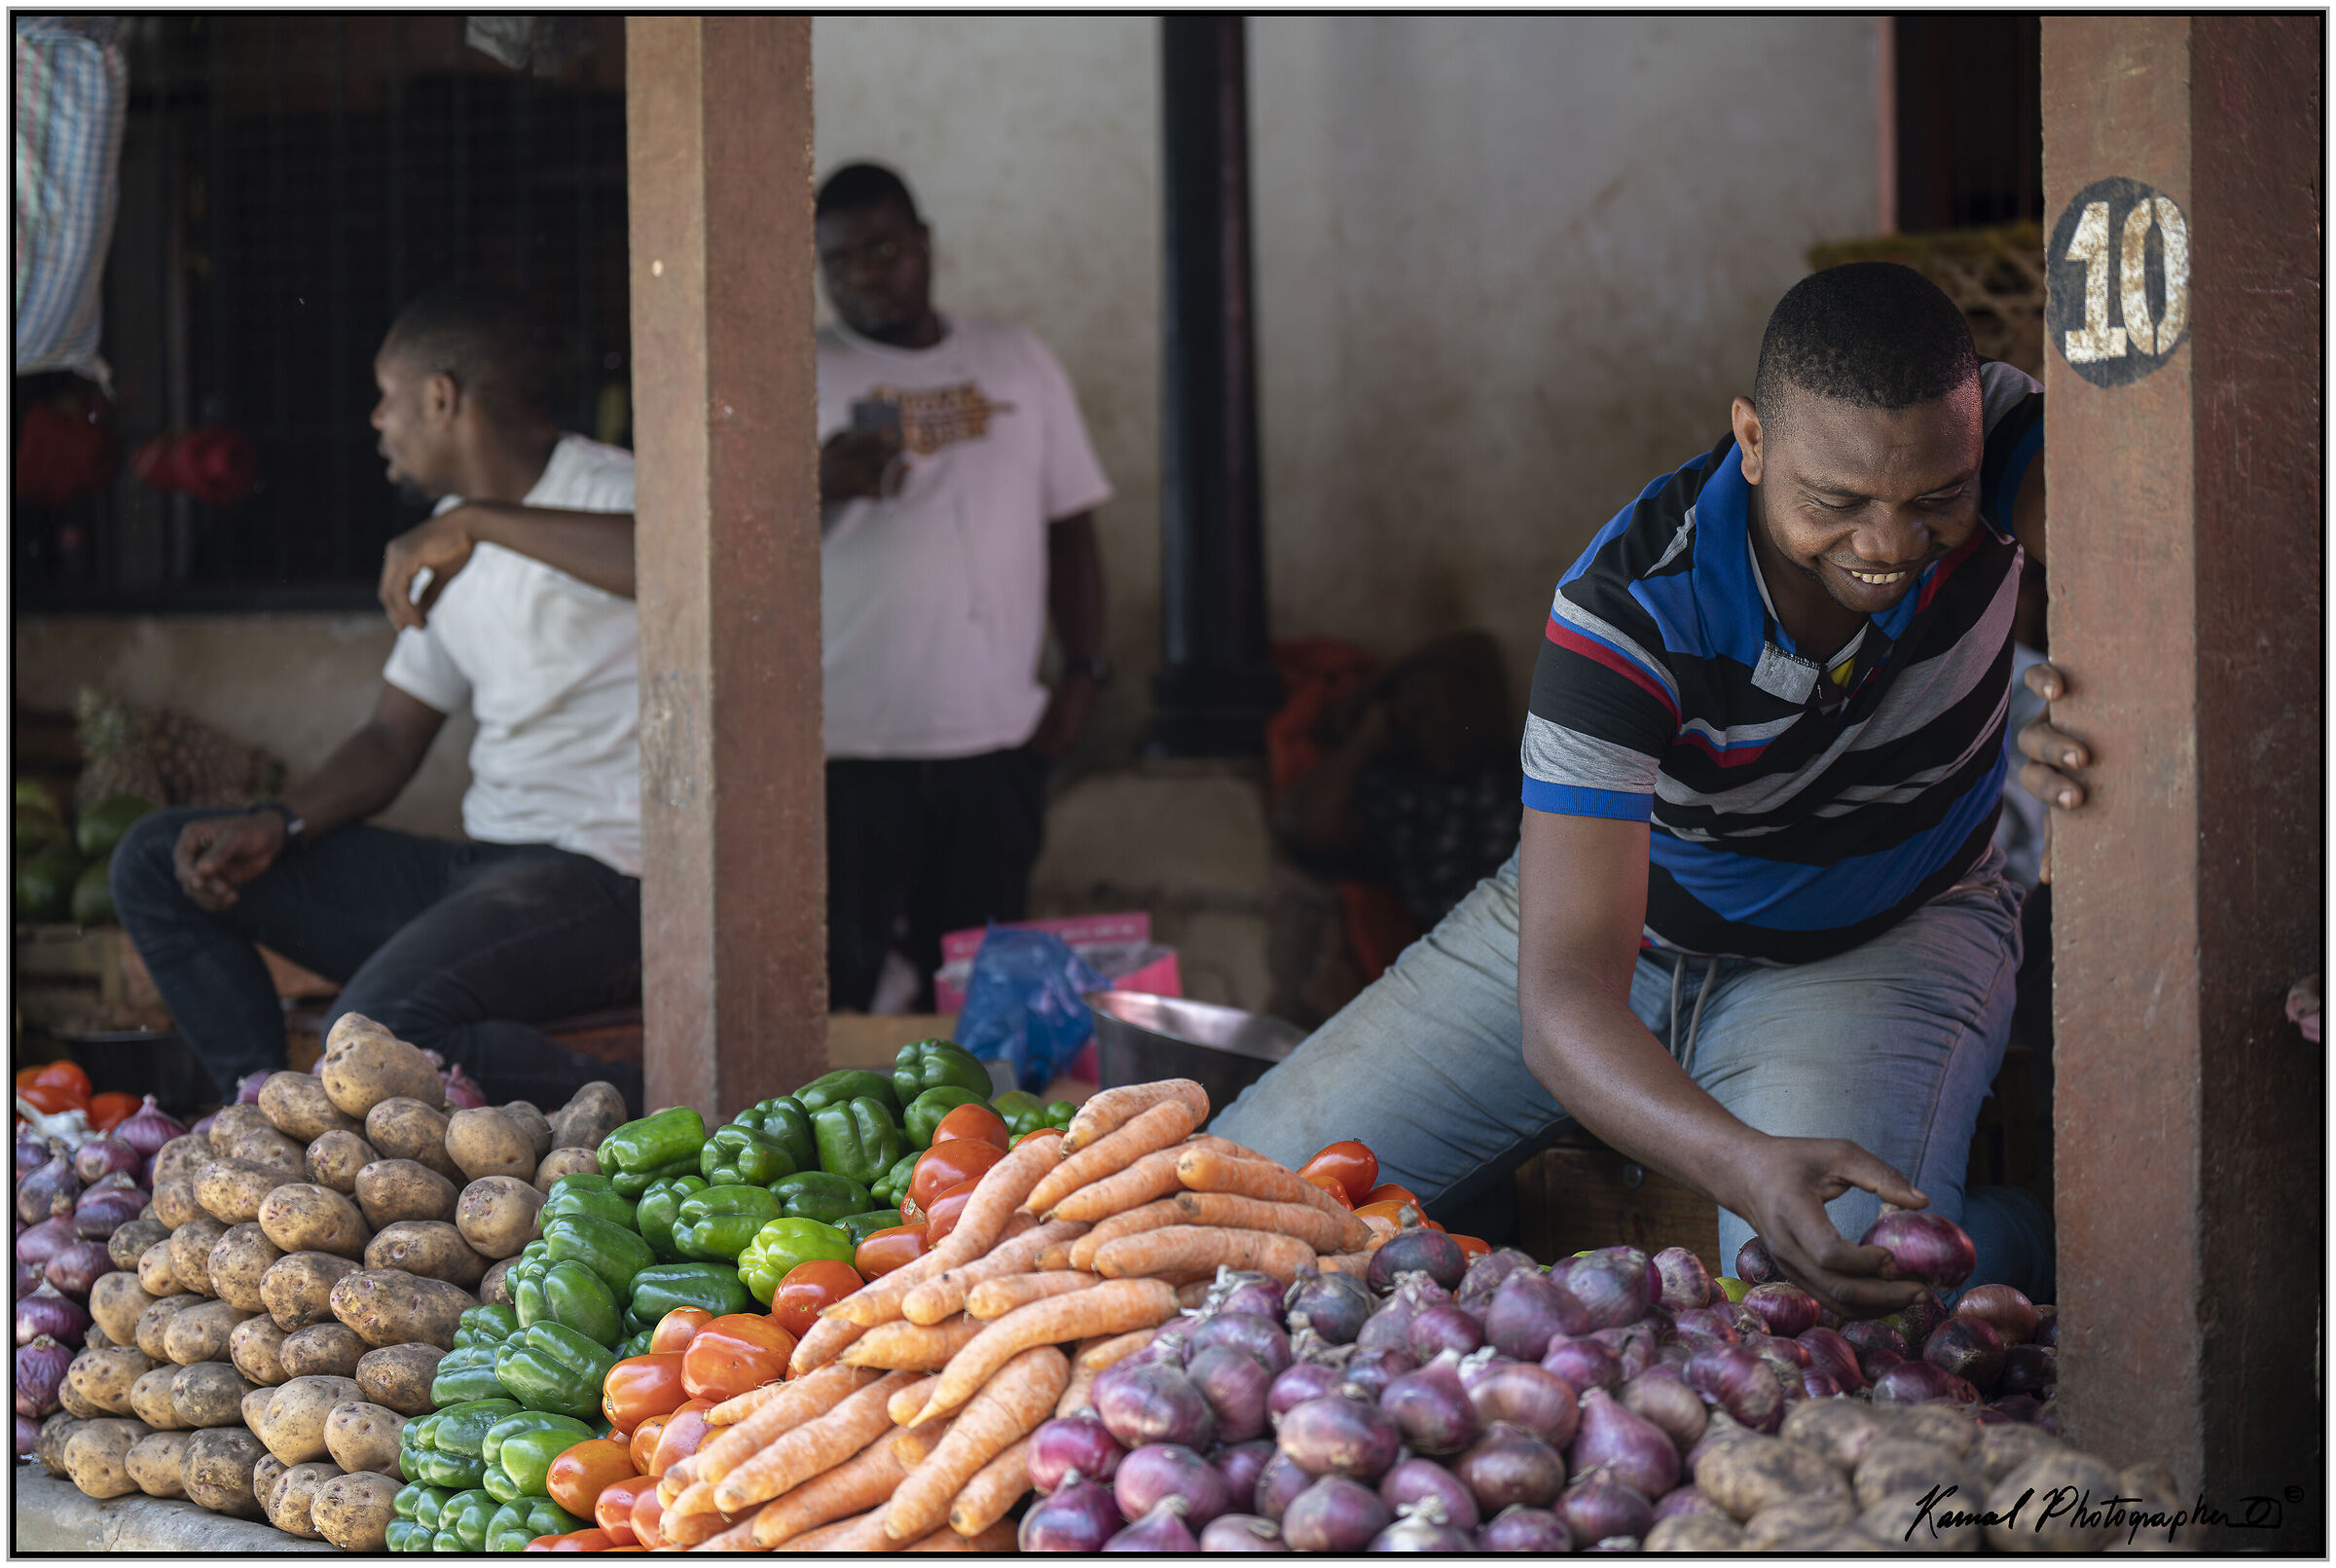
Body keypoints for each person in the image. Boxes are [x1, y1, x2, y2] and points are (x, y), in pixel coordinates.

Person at [1216, 263, 2091, 1314]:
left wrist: (2105, 692)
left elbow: (2133, 546)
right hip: (1612, 933)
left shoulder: (1988, 429)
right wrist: (1738, 1161)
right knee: (1226, 1225)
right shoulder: (1626, 614)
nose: (1890, 544)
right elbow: (1564, 1003)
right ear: (1752, 440)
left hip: (1886, 932)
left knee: (1837, 1301)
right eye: (1838, 502)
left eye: (1936, 500)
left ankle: (2020, 1242)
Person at [112, 284, 646, 1111]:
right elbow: (393, 737)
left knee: (380, 1030)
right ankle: (266, 1116)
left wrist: (478, 521)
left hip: (606, 879)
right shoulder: (449, 534)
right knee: (156, 858)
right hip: (486, 868)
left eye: (385, 397)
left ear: (441, 399)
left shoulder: (610, 489)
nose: (374, 420)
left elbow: (673, 562)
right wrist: (277, 821)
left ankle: (657, 1096)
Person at [813, 163, 1113, 1012]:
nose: (865, 275)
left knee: (984, 999)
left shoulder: (1015, 359)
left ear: (924, 243)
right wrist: (814, 479)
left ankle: (973, 1110)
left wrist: (1085, 670)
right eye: (839, 261)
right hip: (849, 748)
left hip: (996, 740)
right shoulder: (795, 373)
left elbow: (1071, 527)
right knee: (841, 992)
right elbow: (728, 536)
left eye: (882, 249)